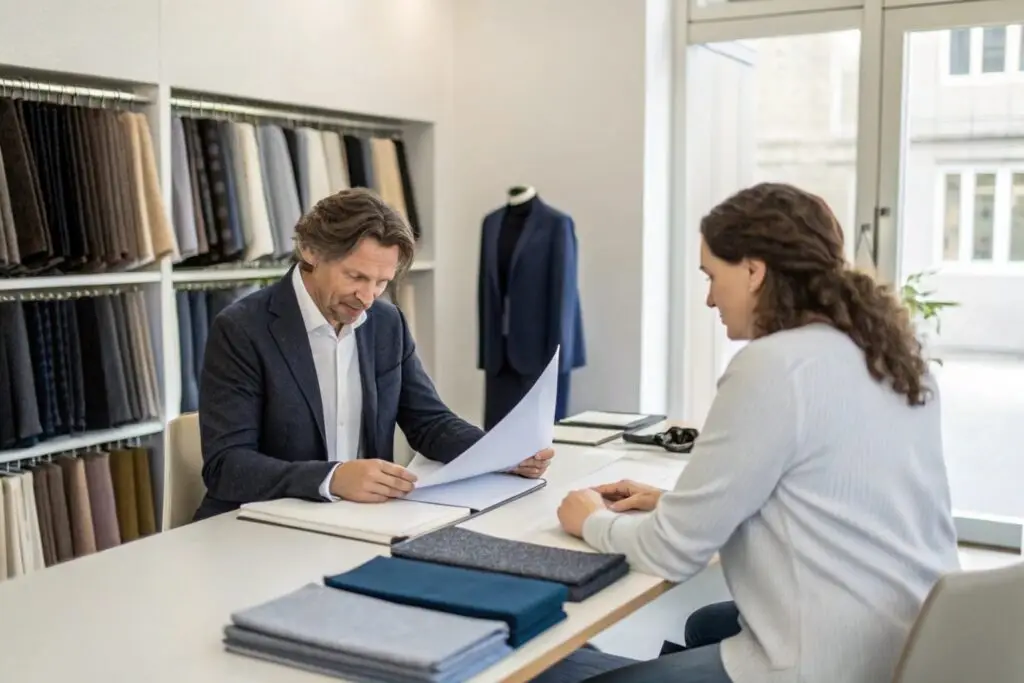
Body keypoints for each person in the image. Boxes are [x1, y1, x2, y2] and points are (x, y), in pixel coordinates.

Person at [542, 182, 961, 683]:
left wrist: (590, 520)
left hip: (825, 664)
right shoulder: (890, 357)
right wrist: (677, 502)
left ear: (754, 270)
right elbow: (834, 496)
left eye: (712, 276)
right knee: (705, 625)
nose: (709, 298)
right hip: (911, 639)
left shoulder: (773, 366)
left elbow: (670, 551)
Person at [193, 188, 553, 521]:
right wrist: (332, 478)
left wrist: (498, 454)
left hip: (357, 522)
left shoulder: (386, 322)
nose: (367, 297)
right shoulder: (242, 328)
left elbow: (429, 422)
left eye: (381, 282)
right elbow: (227, 466)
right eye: (355, 277)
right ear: (311, 251)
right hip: (257, 528)